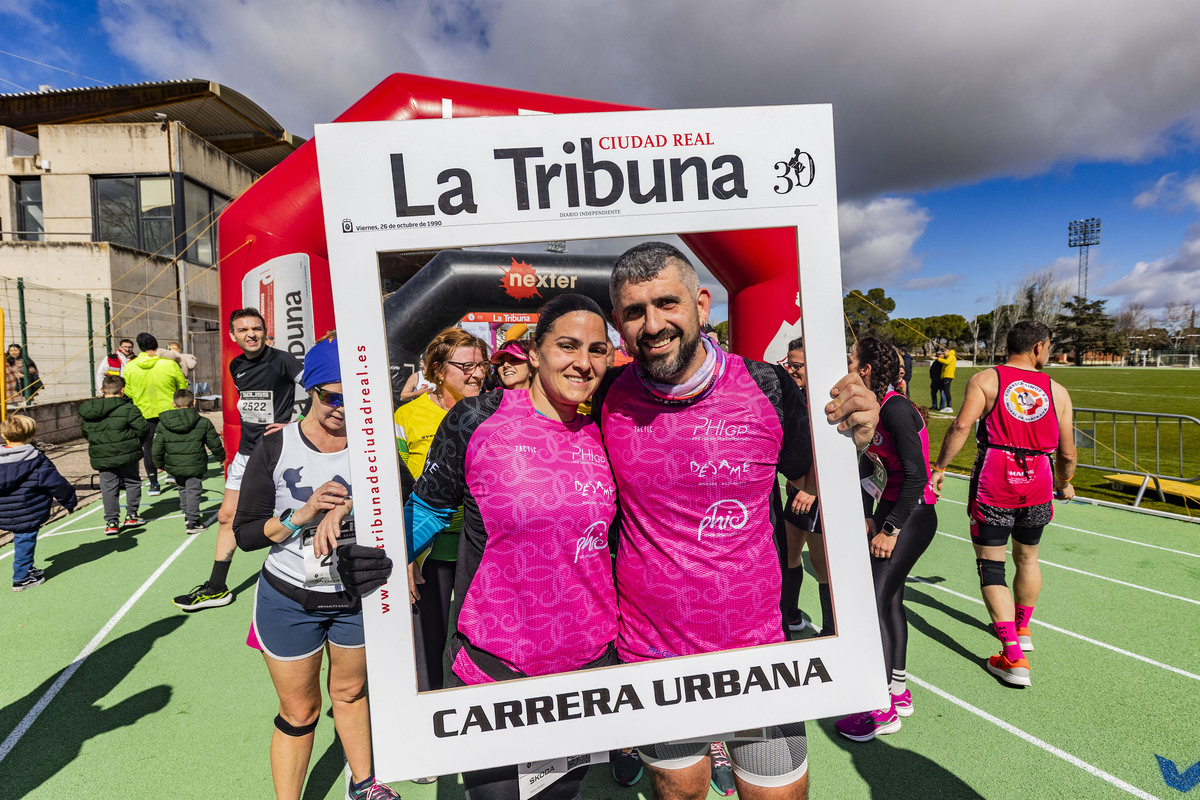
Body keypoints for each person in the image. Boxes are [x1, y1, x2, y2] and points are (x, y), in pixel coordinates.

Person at [594, 242, 880, 800]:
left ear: (702, 303)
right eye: (634, 312)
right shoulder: (607, 399)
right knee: (680, 792)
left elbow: (814, 482)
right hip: (653, 656)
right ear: (618, 325)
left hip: (759, 654)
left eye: (667, 303)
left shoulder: (768, 388)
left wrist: (859, 444)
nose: (653, 325)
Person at [335, 295, 618, 800]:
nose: (584, 362)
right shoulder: (474, 418)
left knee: (560, 796)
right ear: (534, 351)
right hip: (494, 660)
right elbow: (428, 510)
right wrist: (380, 552)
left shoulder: (608, 427)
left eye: (598, 349)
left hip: (586, 666)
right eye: (567, 346)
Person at [232, 335, 400, 800]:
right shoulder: (274, 446)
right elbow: (245, 535)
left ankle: (363, 785)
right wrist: (299, 516)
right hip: (289, 598)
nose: (343, 408)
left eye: (354, 396)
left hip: (355, 595)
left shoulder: (376, 445)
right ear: (310, 391)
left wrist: (347, 511)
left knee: (349, 694)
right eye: (332, 396)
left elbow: (404, 509)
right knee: (300, 712)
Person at [931, 320, 1077, 687]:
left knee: (990, 564)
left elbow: (961, 427)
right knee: (1028, 557)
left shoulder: (986, 379)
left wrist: (940, 466)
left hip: (996, 476)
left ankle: (1012, 656)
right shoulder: (1058, 391)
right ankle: (1022, 628)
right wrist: (1065, 482)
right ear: (1039, 347)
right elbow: (1069, 452)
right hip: (1040, 477)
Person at [833, 336, 939, 742]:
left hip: (911, 516)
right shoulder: (875, 409)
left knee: (873, 602)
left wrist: (891, 528)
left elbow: (917, 473)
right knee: (889, 599)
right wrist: (867, 515)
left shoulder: (895, 408)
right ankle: (897, 690)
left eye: (850, 360)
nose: (844, 365)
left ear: (865, 371)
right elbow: (872, 470)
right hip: (893, 511)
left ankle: (879, 708)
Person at [173, 308, 302, 612]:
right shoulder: (237, 366)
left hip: (278, 453)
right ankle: (217, 588)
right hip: (246, 454)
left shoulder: (283, 359)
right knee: (226, 517)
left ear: (265, 331)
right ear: (233, 336)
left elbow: (322, 390)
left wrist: (296, 423)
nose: (251, 334)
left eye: (256, 328)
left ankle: (304, 581)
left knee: (294, 516)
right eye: (243, 330)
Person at [392, 327, 489, 699]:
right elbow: (397, 488)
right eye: (466, 365)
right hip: (428, 549)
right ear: (436, 369)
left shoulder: (493, 408)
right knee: (427, 649)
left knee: (480, 645)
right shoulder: (407, 416)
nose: (477, 373)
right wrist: (408, 552)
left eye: (481, 364)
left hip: (479, 548)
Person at [1, 415, 77, 591]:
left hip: (3, 511)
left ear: (5, 435)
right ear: (33, 434)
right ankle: (21, 578)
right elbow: (57, 484)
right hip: (28, 511)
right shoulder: (37, 460)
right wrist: (69, 501)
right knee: (24, 540)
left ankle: (27, 568)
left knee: (22, 540)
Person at [79, 375, 148, 534]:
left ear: (102, 390)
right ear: (122, 390)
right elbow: (143, 428)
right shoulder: (129, 408)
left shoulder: (90, 411)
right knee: (132, 482)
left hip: (103, 455)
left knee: (108, 487)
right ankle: (131, 515)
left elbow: (86, 432)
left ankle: (111, 522)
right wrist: (137, 443)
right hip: (127, 452)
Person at [153, 388, 226, 535]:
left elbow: (157, 447)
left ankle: (188, 515)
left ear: (173, 404)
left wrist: (158, 463)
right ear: (194, 402)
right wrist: (221, 458)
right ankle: (193, 522)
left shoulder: (163, 424)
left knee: (182, 488)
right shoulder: (203, 422)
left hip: (174, 463)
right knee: (193, 490)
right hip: (195, 462)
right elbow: (214, 443)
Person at [122, 333, 187, 495]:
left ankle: (153, 483)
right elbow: (182, 385)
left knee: (149, 447)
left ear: (139, 347)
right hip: (169, 411)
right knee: (172, 444)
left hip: (144, 412)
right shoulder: (168, 364)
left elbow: (128, 391)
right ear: (157, 346)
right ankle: (173, 474)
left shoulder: (130, 366)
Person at [935, 347, 957, 412]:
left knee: (947, 391)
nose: (943, 353)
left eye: (944, 351)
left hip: (948, 375)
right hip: (945, 375)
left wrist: (937, 358)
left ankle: (949, 407)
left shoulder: (951, 356)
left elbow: (947, 362)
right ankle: (948, 407)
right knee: (945, 391)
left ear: (947, 351)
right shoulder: (949, 356)